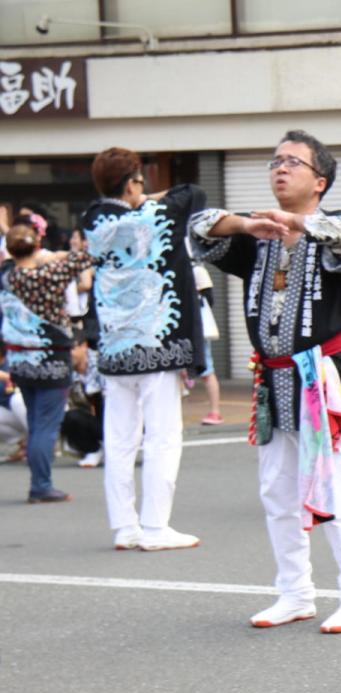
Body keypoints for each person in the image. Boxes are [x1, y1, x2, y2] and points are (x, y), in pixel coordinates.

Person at [189, 129, 341, 634]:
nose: (280, 168)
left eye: (293, 162)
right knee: (276, 491)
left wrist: (299, 223)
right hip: (274, 383)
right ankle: (294, 592)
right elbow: (200, 228)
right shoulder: (257, 238)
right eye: (276, 161)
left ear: (319, 181)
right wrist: (249, 224)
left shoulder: (335, 229)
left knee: (339, 489)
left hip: (326, 380)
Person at [84, 147, 207, 551]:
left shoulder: (93, 222)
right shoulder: (153, 216)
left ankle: (124, 528)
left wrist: (137, 197)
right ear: (133, 182)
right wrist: (149, 198)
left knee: (118, 439)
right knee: (162, 437)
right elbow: (193, 193)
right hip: (157, 344)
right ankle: (155, 527)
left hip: (116, 348)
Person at [0, 223, 93, 502]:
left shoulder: (6, 276)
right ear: (38, 245)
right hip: (52, 359)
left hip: (19, 360)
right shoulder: (51, 274)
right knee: (45, 425)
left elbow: (9, 260)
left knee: (35, 419)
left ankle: (40, 481)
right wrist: (51, 255)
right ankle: (41, 485)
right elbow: (83, 258)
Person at [62, 335, 105, 468]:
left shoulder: (102, 362)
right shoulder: (65, 369)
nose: (69, 354)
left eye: (72, 349)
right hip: (89, 416)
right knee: (68, 417)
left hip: (114, 414)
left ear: (84, 345)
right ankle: (93, 449)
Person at [193, 263, 223, 425]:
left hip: (197, 328)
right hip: (181, 328)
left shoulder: (197, 269)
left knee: (206, 369)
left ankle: (215, 411)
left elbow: (209, 299)